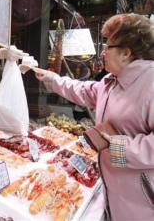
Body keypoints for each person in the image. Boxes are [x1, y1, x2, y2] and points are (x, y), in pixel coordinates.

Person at [34, 13, 154, 220]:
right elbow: (84, 90)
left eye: (108, 47)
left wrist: (119, 146)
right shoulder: (112, 81)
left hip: (140, 200)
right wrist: (52, 80)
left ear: (126, 53)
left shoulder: (150, 83)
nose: (103, 52)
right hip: (114, 192)